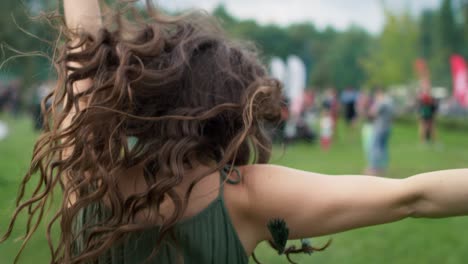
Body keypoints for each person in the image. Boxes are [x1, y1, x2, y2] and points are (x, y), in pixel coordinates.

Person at [2, 1, 468, 264]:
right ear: (227, 113)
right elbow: (414, 197)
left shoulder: (88, 168)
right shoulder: (244, 196)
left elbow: (83, 35)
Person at [367, 89, 393, 176]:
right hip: (388, 127)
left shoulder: (382, 102)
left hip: (379, 128)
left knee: (375, 147)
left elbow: (372, 112)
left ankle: (374, 168)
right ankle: (383, 167)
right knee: (383, 148)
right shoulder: (390, 102)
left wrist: (371, 108)